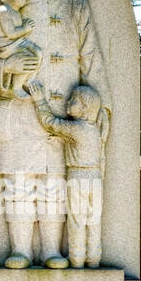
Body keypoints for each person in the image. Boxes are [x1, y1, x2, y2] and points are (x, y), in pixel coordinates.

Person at [0, 0, 110, 269]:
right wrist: (10, 67)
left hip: (62, 111)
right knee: (18, 180)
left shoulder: (76, 6)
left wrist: (101, 106)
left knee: (53, 181)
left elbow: (91, 57)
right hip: (18, 109)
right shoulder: (7, 9)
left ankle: (52, 248)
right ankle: (20, 248)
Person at [26, 80, 109, 267]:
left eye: (74, 100)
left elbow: (50, 123)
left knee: (76, 219)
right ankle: (94, 259)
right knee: (93, 220)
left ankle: (77, 259)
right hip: (95, 177)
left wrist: (40, 101)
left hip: (78, 177)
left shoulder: (76, 128)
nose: (68, 102)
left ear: (85, 107)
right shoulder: (95, 130)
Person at [0, 0, 41, 97]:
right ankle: (16, 87)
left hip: (16, 42)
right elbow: (11, 33)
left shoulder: (15, 12)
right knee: (27, 58)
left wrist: (23, 29)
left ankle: (29, 79)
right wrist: (25, 28)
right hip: (5, 46)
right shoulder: (3, 11)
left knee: (38, 52)